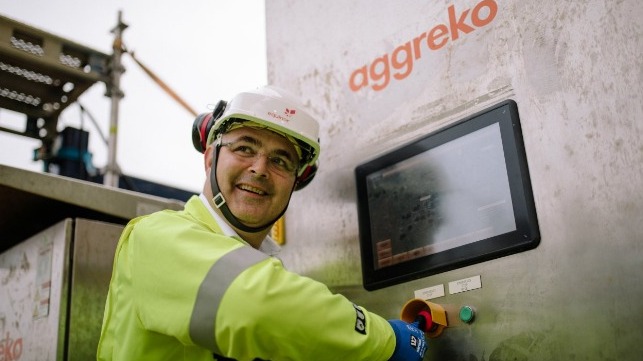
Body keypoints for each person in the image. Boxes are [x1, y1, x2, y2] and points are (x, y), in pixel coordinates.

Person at [97, 85, 427, 361]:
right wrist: (389, 340)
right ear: (210, 157)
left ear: (297, 181)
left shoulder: (275, 278)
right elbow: (252, 304)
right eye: (244, 148)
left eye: (281, 160)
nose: (260, 168)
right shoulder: (155, 238)